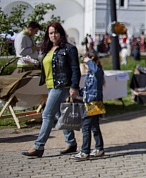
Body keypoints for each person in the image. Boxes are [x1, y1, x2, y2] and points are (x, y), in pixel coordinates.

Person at [22, 22, 81, 158]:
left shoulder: (69, 48)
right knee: (59, 115)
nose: (53, 35)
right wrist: (35, 63)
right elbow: (49, 66)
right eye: (50, 33)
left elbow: (75, 68)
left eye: (55, 32)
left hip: (62, 86)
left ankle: (38, 146)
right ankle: (71, 143)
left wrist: (74, 86)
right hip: (50, 85)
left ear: (61, 33)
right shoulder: (48, 49)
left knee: (47, 115)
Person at [71, 51, 105, 160]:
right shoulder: (90, 73)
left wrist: (88, 61)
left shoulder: (98, 72)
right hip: (89, 102)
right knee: (94, 127)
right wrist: (78, 92)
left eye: (86, 63)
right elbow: (87, 89)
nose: (85, 65)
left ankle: (85, 151)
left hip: (94, 103)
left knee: (86, 126)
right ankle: (99, 148)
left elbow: (96, 70)